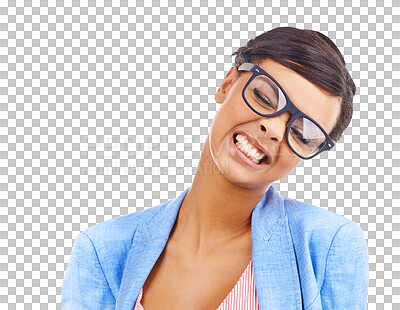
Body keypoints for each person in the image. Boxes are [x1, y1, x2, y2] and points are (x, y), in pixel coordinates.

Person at [61, 27, 369, 310]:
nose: (274, 129)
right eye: (264, 96)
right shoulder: (102, 251)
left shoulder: (328, 246)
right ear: (227, 84)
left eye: (303, 133)